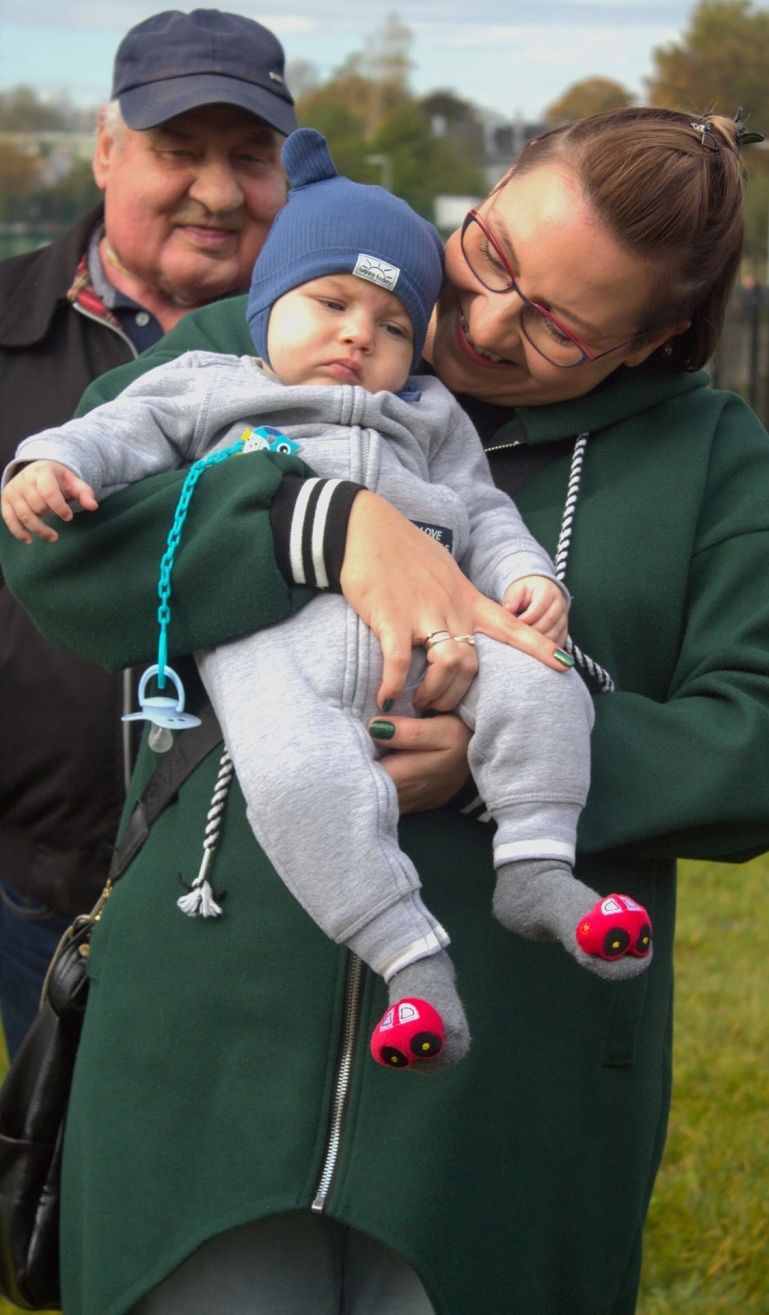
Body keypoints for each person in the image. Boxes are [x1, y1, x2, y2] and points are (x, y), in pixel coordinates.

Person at [0, 107, 769, 1315]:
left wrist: (512, 755)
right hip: (201, 1059)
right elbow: (56, 545)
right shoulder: (278, 335)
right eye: (489, 254)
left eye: (558, 323)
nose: (487, 324)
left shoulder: (706, 454)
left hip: (501, 1099)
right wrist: (325, 529)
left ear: (656, 335)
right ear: (485, 196)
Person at [3, 127, 654, 1073]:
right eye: (331, 302)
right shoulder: (208, 386)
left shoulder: (428, 417)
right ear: (268, 306)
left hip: (443, 638)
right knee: (297, 782)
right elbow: (116, 433)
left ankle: (540, 864)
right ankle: (410, 962)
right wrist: (47, 461)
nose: (361, 333)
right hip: (275, 649)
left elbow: (481, 512)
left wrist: (527, 581)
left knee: (546, 682)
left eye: (395, 325)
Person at [0, 7, 295, 1056]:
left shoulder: (349, 355)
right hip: (37, 883)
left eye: (250, 158)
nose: (217, 192)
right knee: (49, 1179)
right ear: (105, 148)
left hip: (276, 889)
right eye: (179, 151)